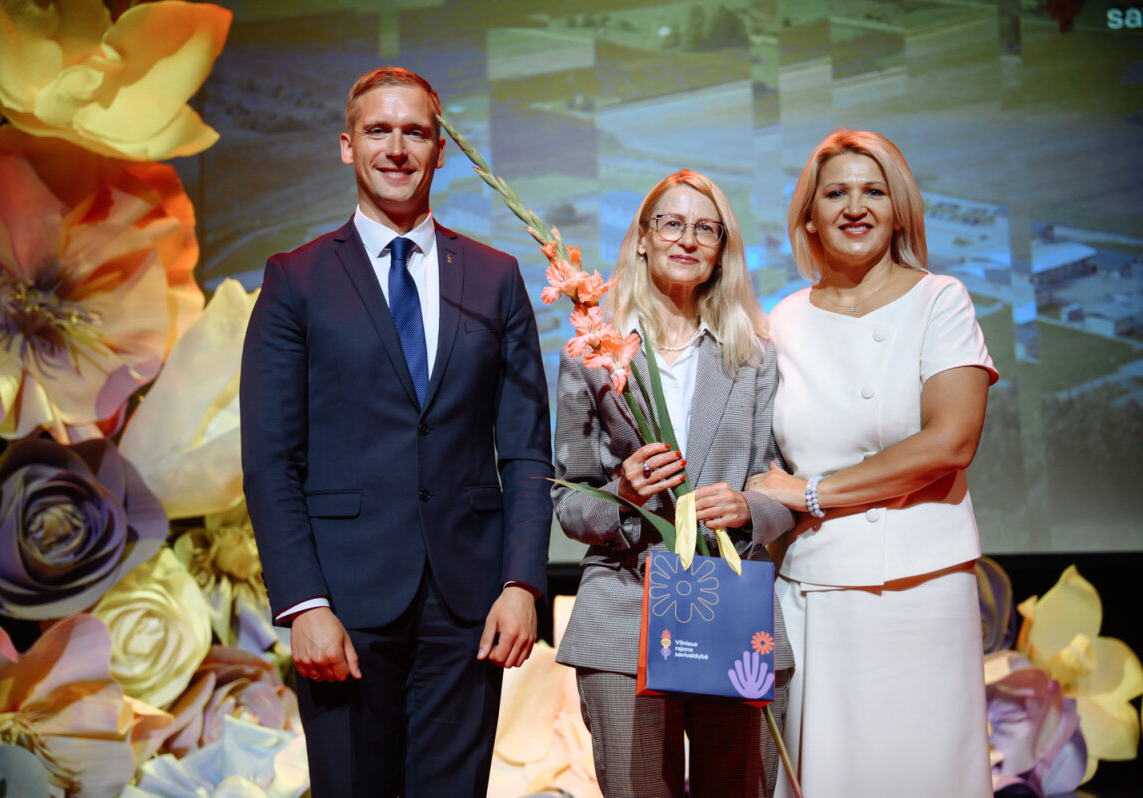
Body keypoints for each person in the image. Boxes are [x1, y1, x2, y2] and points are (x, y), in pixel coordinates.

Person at [239, 66, 553, 797]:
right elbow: (271, 462)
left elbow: (527, 451)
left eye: (416, 132)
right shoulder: (295, 280)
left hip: (469, 602)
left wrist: (521, 583)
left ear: (440, 150)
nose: (397, 148)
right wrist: (304, 604)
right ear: (347, 146)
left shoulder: (496, 277)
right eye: (378, 130)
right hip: (343, 603)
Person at [746, 129, 997, 798]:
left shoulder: (940, 300)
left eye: (874, 192)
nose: (855, 207)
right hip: (817, 587)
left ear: (898, 210)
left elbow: (951, 442)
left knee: (925, 771)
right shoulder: (782, 322)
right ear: (809, 216)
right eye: (836, 193)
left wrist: (814, 492)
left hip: (923, 584)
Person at [552, 169, 794, 798]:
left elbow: (781, 485)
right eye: (671, 223)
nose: (687, 239)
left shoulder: (753, 354)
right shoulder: (592, 353)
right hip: (624, 613)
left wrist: (748, 507)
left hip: (730, 606)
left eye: (706, 229)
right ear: (641, 237)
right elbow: (568, 500)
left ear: (721, 250)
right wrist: (623, 495)